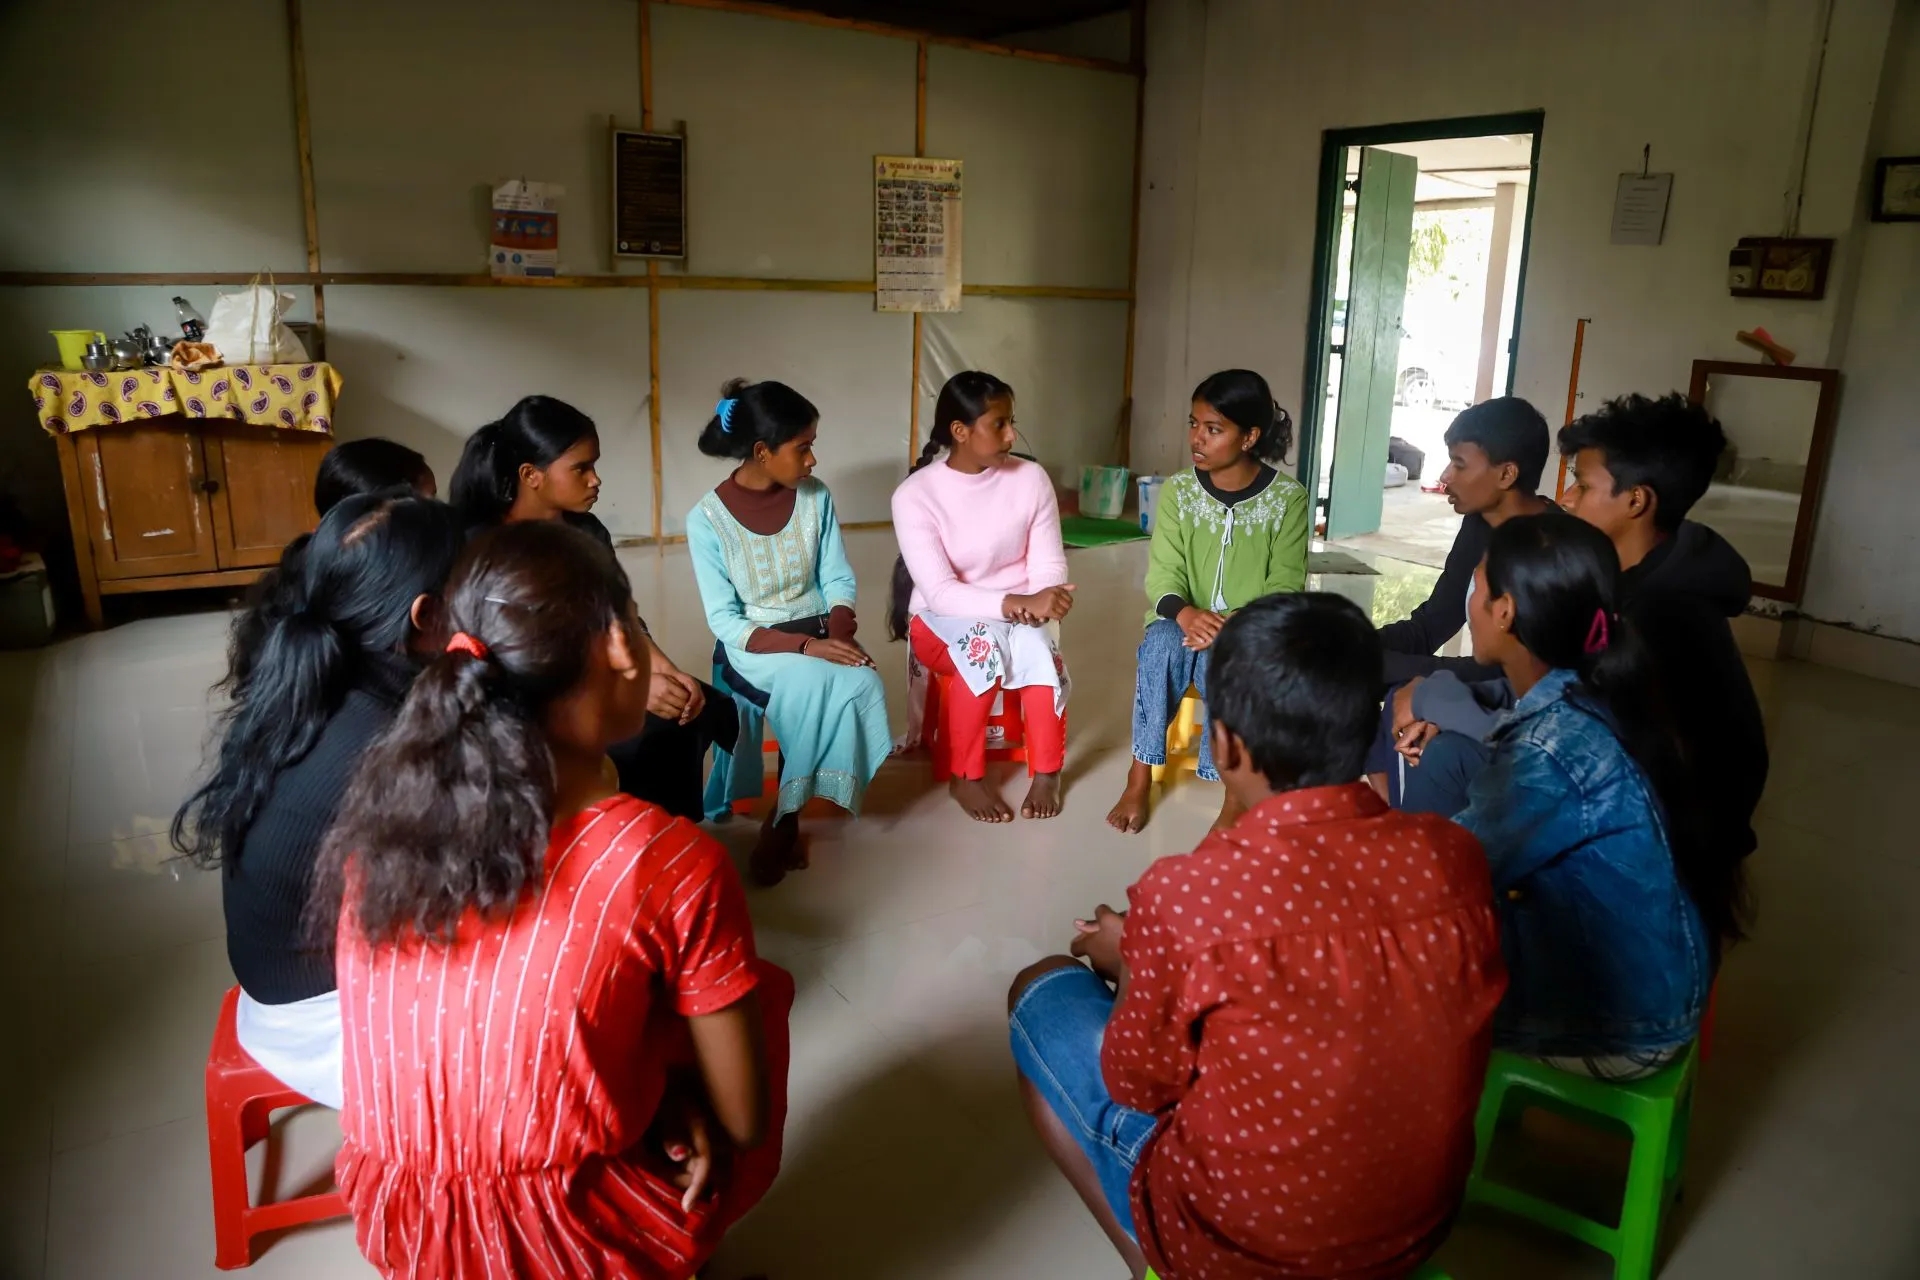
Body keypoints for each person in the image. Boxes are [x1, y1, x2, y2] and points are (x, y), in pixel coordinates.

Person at [313, 519, 792, 1280]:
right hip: (572, 1242)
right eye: (635, 621)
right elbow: (743, 1118)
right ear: (616, 647)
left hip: (406, 1227)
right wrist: (672, 1090)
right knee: (757, 993)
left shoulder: (380, 833)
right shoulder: (665, 859)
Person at [1008, 593, 1507, 1280]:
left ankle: (1151, 1256)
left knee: (1038, 990)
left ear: (1227, 744)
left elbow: (1137, 1083)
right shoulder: (1453, 857)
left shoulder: (1186, 895)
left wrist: (1130, 961)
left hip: (1240, 1246)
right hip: (1414, 1233)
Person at [172, 492, 466, 1108]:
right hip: (324, 1022)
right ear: (427, 616)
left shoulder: (314, 674)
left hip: (278, 984)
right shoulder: (384, 742)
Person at [1392, 394, 1767, 864]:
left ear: (1636, 501)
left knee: (1444, 753)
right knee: (1433, 732)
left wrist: (1433, 697)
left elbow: (1565, 744)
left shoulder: (1655, 618)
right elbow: (1545, 692)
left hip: (1654, 839)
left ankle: (1429, 902)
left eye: (1583, 486)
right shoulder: (1623, 580)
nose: (1566, 499)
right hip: (1609, 792)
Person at [1454, 513, 1741, 1078]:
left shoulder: (1551, 748)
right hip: (1662, 988)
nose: (1471, 597)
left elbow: (1453, 870)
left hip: (1627, 1026)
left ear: (1506, 611)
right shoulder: (1602, 689)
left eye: (1477, 585)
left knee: (1398, 971)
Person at [452, 395, 737, 822]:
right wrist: (631, 689)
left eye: (594, 465)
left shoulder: (587, 531)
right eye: (581, 468)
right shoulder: (479, 543)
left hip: (593, 676)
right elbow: (509, 657)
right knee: (637, 732)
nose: (595, 480)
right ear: (531, 475)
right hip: (520, 696)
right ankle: (614, 849)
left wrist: (664, 671)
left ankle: (668, 845)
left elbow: (618, 615)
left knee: (685, 708)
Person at [685, 378, 892, 886]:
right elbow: (726, 621)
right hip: (755, 645)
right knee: (810, 681)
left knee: (863, 682)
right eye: (804, 447)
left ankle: (789, 799)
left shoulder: (816, 498)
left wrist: (838, 632)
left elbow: (837, 577)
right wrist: (807, 646)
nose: (813, 461)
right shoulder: (705, 520)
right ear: (762, 451)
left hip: (820, 629)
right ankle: (785, 819)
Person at [1106, 369, 1309, 835]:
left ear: (1249, 436)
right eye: (1193, 424)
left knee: (1227, 656)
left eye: (1213, 429)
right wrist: (1188, 614)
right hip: (1180, 621)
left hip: (1249, 630)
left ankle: (1232, 796)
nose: (1197, 438)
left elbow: (1285, 586)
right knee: (1158, 647)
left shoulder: (1287, 499)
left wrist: (1231, 622)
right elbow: (1163, 573)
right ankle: (1139, 775)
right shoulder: (1178, 490)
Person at [889, 371, 1073, 823]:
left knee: (1036, 647)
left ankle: (1048, 770)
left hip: (1017, 608)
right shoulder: (916, 495)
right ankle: (965, 775)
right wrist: (1015, 604)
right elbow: (941, 593)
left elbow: (1048, 564)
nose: (1012, 435)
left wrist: (1046, 597)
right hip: (939, 619)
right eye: (1000, 424)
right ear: (960, 431)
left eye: (1012, 422)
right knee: (981, 647)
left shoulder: (1030, 479)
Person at [1363, 397, 1556, 797]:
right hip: (1488, 680)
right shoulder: (1480, 523)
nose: (1445, 476)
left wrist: (1408, 678)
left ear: (1506, 474)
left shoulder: (1552, 548)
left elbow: (1520, 675)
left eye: (1459, 463)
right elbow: (1436, 619)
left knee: (1379, 681)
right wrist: (1363, 644)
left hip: (1517, 697)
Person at [220, 436, 437, 699]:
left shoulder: (314, 566)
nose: (439, 515)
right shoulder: (374, 607)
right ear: (377, 520)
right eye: (427, 504)